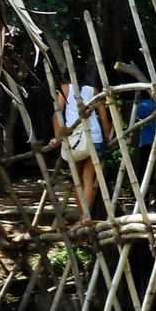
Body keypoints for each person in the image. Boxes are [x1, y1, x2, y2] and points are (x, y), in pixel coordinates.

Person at [52, 78, 112, 220]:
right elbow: (103, 116)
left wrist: (57, 137)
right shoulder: (93, 91)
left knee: (77, 181)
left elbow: (57, 115)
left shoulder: (65, 89)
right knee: (88, 178)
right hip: (94, 137)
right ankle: (85, 217)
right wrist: (107, 136)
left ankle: (82, 217)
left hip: (74, 140)